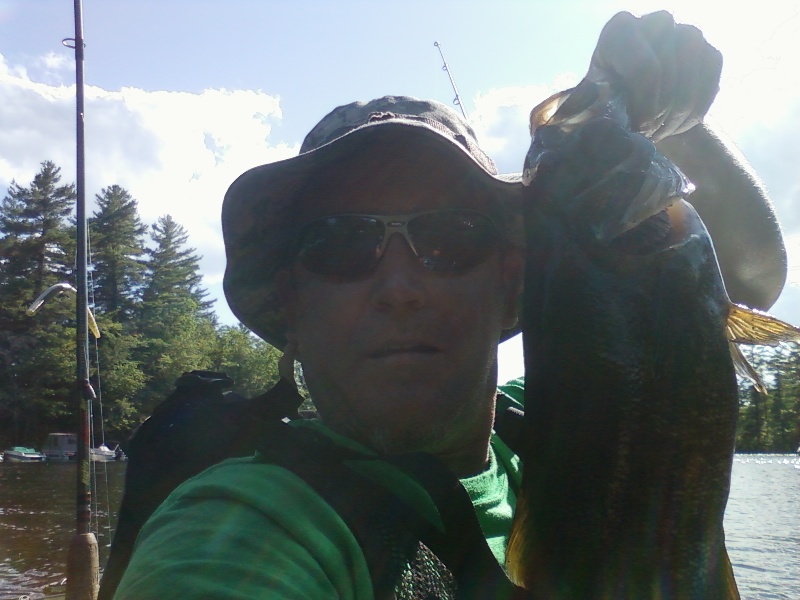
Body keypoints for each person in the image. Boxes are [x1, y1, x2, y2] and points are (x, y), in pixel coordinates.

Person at [112, 11, 786, 600]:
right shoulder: (244, 529)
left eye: (447, 239)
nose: (400, 288)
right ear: (291, 304)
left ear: (507, 282)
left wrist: (674, 122)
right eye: (341, 245)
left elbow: (751, 277)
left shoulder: (564, 416)